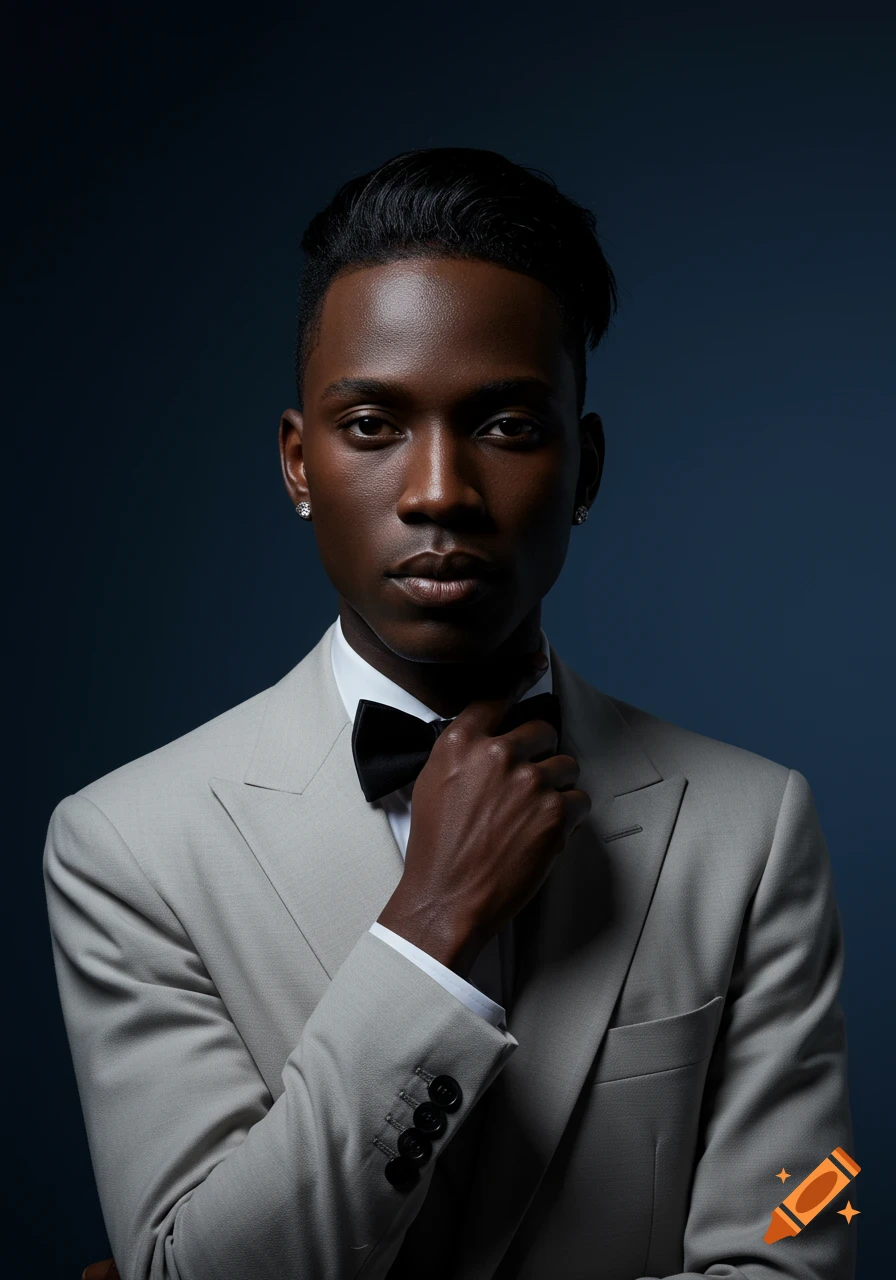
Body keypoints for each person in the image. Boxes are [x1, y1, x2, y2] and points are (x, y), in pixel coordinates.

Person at [44, 147, 855, 1280]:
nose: (437, 490)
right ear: (297, 465)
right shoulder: (126, 843)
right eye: (372, 424)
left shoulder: (755, 826)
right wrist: (428, 929)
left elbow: (811, 1223)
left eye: (508, 426)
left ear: (586, 467)